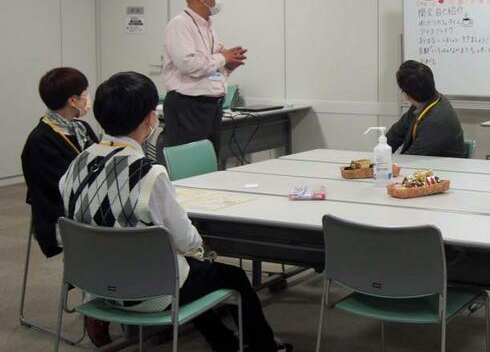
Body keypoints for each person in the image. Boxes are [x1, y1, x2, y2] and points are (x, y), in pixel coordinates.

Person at [59, 72, 289, 352]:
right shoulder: (148, 174)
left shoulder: (76, 164)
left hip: (94, 285)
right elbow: (187, 240)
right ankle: (264, 347)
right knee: (227, 275)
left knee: (193, 272)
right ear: (150, 118)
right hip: (149, 291)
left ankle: (225, 344)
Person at [20, 68, 111, 347]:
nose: (88, 98)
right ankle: (99, 303)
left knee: (134, 224)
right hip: (62, 219)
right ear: (73, 101)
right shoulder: (40, 141)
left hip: (90, 207)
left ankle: (123, 296)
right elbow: (63, 190)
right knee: (118, 232)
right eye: (84, 93)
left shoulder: (81, 129)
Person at [162, 0, 246, 158]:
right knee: (189, 163)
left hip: (211, 106)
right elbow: (188, 64)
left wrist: (228, 66)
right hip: (188, 106)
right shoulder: (180, 24)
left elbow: (210, 65)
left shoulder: (209, 27)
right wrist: (223, 57)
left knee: (209, 161)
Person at [385, 60, 465, 157]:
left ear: (406, 95)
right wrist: (381, 153)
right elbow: (396, 133)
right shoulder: (424, 101)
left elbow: (412, 159)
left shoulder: (437, 121)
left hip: (444, 170)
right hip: (425, 165)